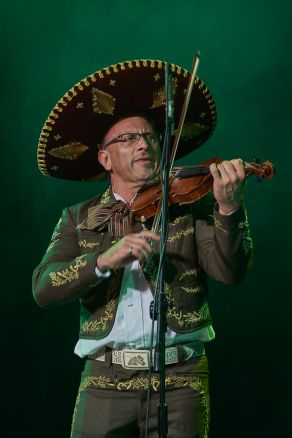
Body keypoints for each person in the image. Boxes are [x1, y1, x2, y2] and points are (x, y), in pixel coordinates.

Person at [33, 59, 253, 438]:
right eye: (128, 138)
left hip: (181, 380)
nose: (143, 144)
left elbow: (230, 272)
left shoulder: (190, 204)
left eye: (150, 137)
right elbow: (44, 287)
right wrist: (103, 260)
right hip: (103, 380)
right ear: (105, 158)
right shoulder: (79, 217)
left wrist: (229, 208)